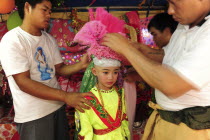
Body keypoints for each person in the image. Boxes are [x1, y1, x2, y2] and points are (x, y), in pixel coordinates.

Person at [101, 0, 210, 139]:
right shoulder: (184, 25)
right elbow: (168, 57)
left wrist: (127, 50)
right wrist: (143, 51)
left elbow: (172, 85)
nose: (170, 11)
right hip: (168, 122)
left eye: (174, 3)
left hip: (191, 129)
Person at [0, 0, 94, 140]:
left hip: (57, 108)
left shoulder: (48, 39)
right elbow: (23, 82)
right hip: (34, 116)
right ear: (27, 7)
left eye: (50, 11)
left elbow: (59, 69)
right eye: (44, 10)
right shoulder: (13, 40)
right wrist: (66, 96)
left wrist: (80, 65)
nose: (48, 15)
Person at [75, 57, 130, 140]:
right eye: (105, 72)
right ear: (94, 71)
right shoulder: (87, 99)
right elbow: (86, 130)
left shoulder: (120, 92)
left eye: (115, 72)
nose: (111, 77)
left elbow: (124, 121)